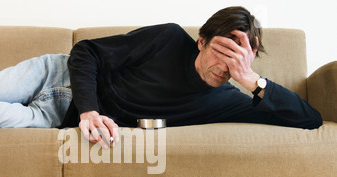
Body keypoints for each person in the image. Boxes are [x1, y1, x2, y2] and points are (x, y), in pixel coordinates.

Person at [62, 6, 323, 148]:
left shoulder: (226, 101)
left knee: (18, 119)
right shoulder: (168, 38)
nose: (224, 67)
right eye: (221, 52)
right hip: (62, 76)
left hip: (61, 115)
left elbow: (310, 119)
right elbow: (86, 52)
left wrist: (251, 78)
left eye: (236, 60)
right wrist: (89, 111)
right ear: (202, 42)